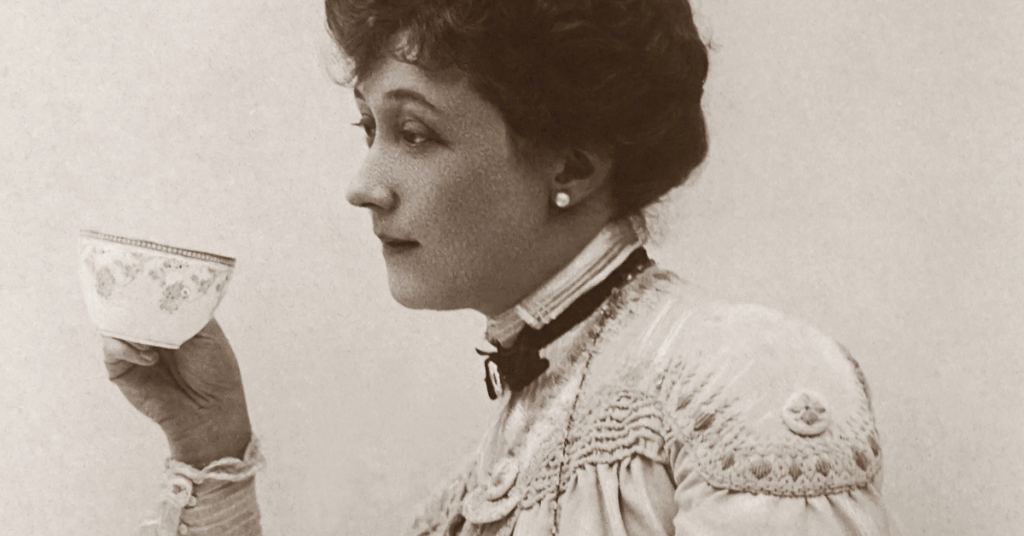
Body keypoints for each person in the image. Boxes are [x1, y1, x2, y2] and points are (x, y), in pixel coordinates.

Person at [102, 0, 897, 534]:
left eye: (415, 134)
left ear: (573, 166)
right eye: (369, 129)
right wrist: (211, 443)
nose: (364, 185)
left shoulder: (749, 380)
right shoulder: (482, 480)